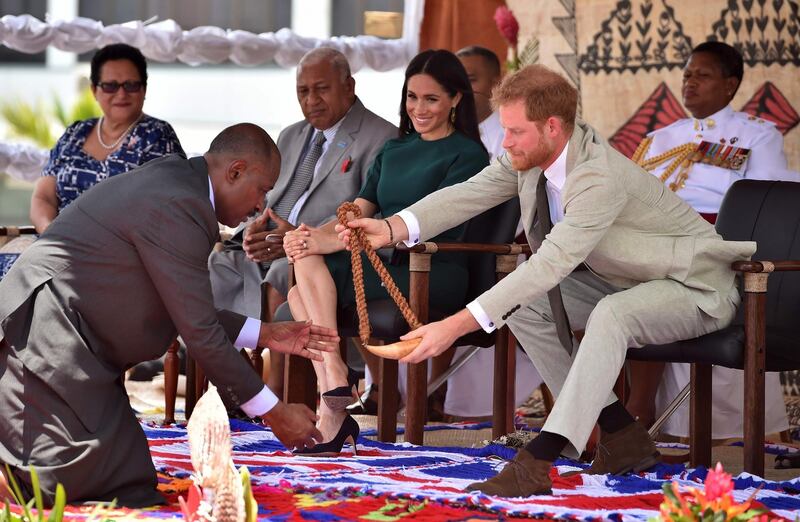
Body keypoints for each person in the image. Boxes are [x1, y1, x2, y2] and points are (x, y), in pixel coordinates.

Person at [338, 64, 757, 497]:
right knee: (526, 305)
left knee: (607, 312)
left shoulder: (598, 177)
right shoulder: (530, 156)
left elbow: (551, 264)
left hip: (697, 288)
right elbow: (468, 193)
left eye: (515, 131)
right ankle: (620, 433)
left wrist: (454, 325)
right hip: (630, 282)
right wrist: (391, 228)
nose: (505, 142)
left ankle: (541, 457)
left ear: (552, 126)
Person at [0, 124, 338, 507]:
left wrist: (266, 334)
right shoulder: (182, 203)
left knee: (128, 478)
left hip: (77, 337)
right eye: (262, 189)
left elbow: (181, 308)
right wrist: (274, 412)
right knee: (54, 486)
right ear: (235, 171)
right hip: (45, 326)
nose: (261, 206)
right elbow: (199, 331)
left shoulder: (182, 185)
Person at [282, 49, 489, 454]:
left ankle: (333, 393)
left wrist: (326, 241)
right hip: (376, 262)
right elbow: (358, 211)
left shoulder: (469, 155)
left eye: (431, 98)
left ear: (456, 100)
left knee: (298, 294)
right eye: (412, 97)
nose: (419, 108)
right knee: (300, 273)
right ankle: (334, 390)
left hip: (431, 266)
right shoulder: (394, 150)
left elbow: (444, 219)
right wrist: (311, 236)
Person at [626, 41, 796, 438]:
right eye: (687, 75)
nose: (690, 83)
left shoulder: (757, 135)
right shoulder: (661, 137)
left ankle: (638, 410)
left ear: (730, 84)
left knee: (647, 288)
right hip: (659, 238)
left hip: (720, 246)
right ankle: (614, 408)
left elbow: (764, 203)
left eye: (702, 75)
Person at [207, 47, 395, 394]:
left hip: (321, 249)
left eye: (321, 89)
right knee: (215, 265)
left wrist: (295, 236)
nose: (311, 100)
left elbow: (377, 213)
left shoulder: (381, 137)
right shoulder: (291, 135)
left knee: (284, 272)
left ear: (349, 86)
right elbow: (266, 196)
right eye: (303, 91)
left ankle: (280, 393)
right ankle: (227, 386)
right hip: (270, 243)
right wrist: (254, 228)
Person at [0, 43, 184, 282]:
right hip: (58, 243)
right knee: (10, 265)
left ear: (144, 89)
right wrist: (52, 235)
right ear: (95, 90)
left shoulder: (157, 135)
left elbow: (168, 209)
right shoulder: (75, 133)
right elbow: (43, 197)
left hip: (121, 254)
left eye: (131, 85)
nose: (121, 93)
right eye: (110, 86)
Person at [456, 45, 504, 157]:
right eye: (455, 81)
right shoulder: (442, 132)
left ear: (497, 84)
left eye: (470, 80)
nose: (460, 89)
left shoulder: (510, 137)